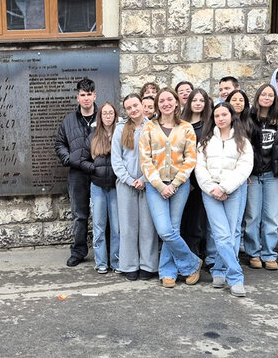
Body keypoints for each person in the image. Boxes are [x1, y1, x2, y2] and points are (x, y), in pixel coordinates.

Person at [139, 88, 203, 289]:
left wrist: (175, 184)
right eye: (162, 101)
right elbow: (145, 160)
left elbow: (190, 159)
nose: (166, 103)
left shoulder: (186, 128)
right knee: (165, 230)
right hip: (155, 186)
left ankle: (168, 271)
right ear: (157, 105)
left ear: (176, 102)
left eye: (169, 99)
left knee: (174, 228)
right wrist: (160, 186)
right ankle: (192, 263)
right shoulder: (149, 127)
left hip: (179, 185)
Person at [196, 102, 254, 297]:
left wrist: (225, 187)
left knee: (231, 233)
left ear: (231, 116)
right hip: (210, 192)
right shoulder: (205, 141)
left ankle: (220, 270)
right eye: (217, 115)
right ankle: (236, 277)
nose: (221, 118)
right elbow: (200, 167)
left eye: (224, 115)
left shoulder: (242, 140)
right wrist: (212, 188)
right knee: (221, 234)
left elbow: (244, 167)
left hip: (233, 191)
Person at [112, 94, 158, 281]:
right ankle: (129, 265)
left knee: (148, 226)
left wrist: (144, 179)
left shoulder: (153, 127)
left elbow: (157, 157)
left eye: (135, 105)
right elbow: (116, 159)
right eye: (129, 107)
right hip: (126, 184)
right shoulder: (120, 129)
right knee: (128, 226)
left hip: (148, 183)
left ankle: (148, 265)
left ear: (142, 105)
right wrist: (130, 180)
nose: (133, 110)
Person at [55, 78, 98, 267]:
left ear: (94, 96)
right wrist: (69, 159)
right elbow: (60, 144)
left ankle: (105, 251)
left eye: (89, 94)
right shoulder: (68, 120)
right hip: (77, 173)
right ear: (77, 97)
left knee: (102, 213)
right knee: (79, 215)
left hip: (98, 171)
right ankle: (79, 251)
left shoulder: (104, 117)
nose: (86, 98)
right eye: (82, 95)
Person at [244, 83, 278, 270]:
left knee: (271, 216)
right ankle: (253, 253)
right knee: (252, 215)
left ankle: (269, 253)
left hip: (272, 174)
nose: (267, 98)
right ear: (258, 97)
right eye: (264, 94)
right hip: (253, 174)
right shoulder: (249, 118)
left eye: (270, 95)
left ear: (275, 98)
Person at [80, 102, 119, 274]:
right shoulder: (93, 136)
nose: (108, 116)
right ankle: (101, 262)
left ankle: (116, 262)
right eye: (105, 113)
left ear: (115, 115)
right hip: (97, 187)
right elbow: (82, 160)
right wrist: (94, 168)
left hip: (116, 187)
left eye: (111, 113)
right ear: (100, 116)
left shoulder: (120, 134)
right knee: (99, 225)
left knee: (117, 227)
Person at [180, 88, 213, 258]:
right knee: (183, 218)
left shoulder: (209, 125)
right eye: (195, 100)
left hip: (202, 179)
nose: (198, 104)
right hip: (183, 177)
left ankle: (197, 254)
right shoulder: (181, 123)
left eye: (201, 100)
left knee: (198, 219)